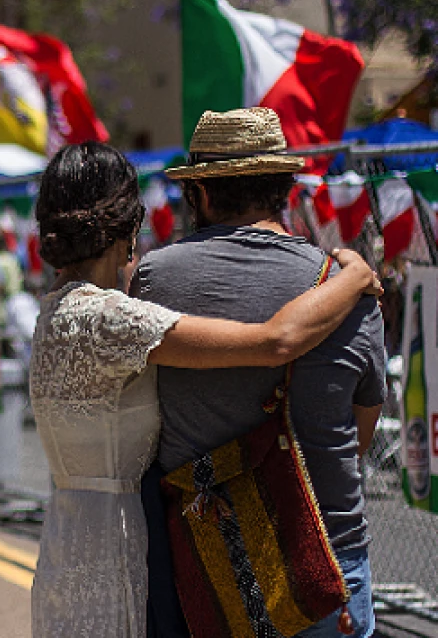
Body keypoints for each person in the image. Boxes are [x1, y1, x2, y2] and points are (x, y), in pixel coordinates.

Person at [28, 140, 381, 638]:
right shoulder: (111, 320)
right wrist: (354, 276)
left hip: (73, 539)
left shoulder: (59, 312)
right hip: (127, 546)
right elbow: (276, 341)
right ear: (128, 227)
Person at [134, 108, 386, 638]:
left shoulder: (156, 278)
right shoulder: (350, 288)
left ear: (201, 192)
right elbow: (360, 435)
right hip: (327, 561)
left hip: (210, 563)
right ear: (284, 190)